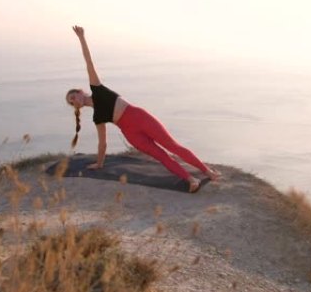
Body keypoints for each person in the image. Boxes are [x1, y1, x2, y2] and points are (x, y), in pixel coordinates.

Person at [66, 25, 219, 193]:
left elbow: (89, 62)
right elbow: (102, 143)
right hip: (130, 132)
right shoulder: (98, 117)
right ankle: (191, 179)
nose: (74, 102)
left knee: (173, 147)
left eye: (73, 97)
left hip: (139, 117)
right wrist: (99, 164)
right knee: (161, 156)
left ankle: (207, 171)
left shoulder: (97, 88)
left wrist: (82, 38)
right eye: (71, 102)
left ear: (80, 92)